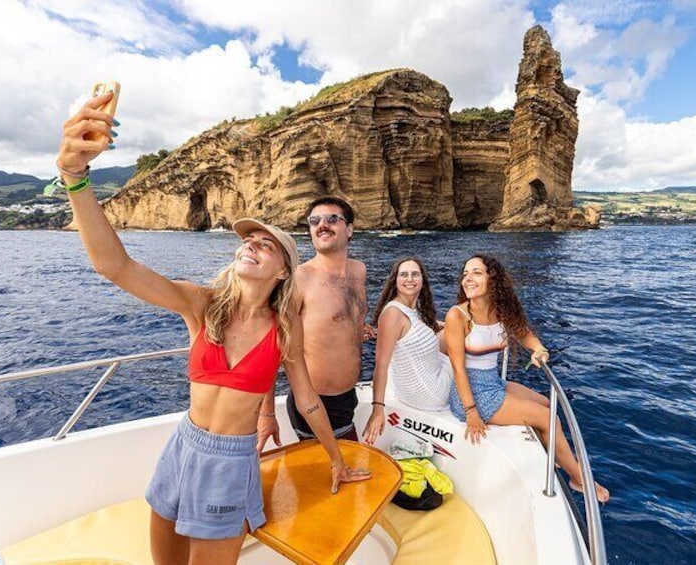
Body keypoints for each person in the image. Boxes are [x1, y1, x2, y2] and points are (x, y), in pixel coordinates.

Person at [56, 90, 370, 564]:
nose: (253, 245)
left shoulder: (284, 329)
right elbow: (114, 265)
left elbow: (306, 400)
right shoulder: (201, 305)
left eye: (268, 244)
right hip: (183, 445)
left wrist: (338, 459)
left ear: (283, 270)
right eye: (249, 240)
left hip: (230, 460)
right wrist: (74, 177)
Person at [444, 254, 610, 503]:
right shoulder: (457, 316)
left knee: (545, 403)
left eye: (476, 272)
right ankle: (579, 480)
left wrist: (539, 349)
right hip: (470, 392)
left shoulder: (499, 310)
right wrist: (471, 412)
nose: (467, 279)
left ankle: (550, 455)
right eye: (465, 274)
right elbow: (458, 369)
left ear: (492, 278)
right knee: (548, 418)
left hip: (492, 382)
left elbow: (523, 333)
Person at [258, 196, 369, 448]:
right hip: (312, 403)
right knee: (331, 475)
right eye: (314, 221)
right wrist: (266, 413)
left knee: (343, 474)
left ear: (349, 229)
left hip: (348, 397)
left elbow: (343, 318)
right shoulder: (300, 278)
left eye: (332, 219)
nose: (322, 225)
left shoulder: (359, 271)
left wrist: (358, 328)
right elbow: (271, 346)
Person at [363, 257, 452, 444]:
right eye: (404, 275)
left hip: (417, 387)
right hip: (427, 394)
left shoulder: (414, 308)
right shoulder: (393, 314)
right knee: (461, 342)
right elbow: (381, 365)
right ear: (395, 280)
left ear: (422, 280)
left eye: (415, 274)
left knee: (455, 330)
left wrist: (458, 325)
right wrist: (377, 409)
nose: (409, 279)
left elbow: (427, 326)